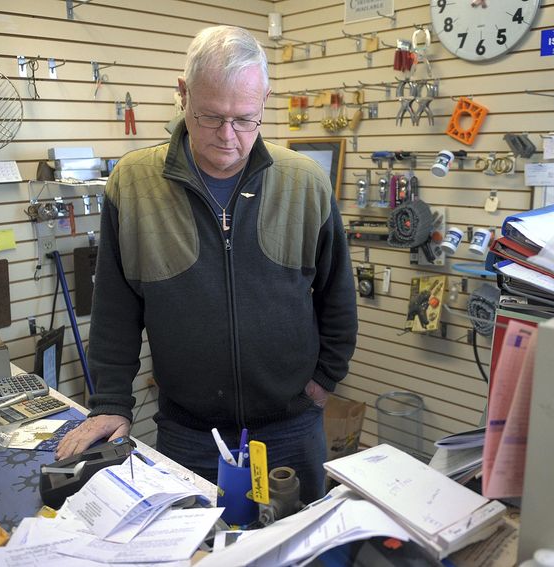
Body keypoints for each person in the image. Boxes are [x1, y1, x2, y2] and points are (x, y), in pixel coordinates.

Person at [56, 25, 358, 505]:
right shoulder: (133, 185)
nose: (227, 137)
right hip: (189, 434)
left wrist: (322, 383)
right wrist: (111, 403)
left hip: (291, 429)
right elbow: (115, 309)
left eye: (244, 119)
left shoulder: (304, 182)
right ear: (183, 94)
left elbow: (337, 296)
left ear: (264, 101)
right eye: (211, 116)